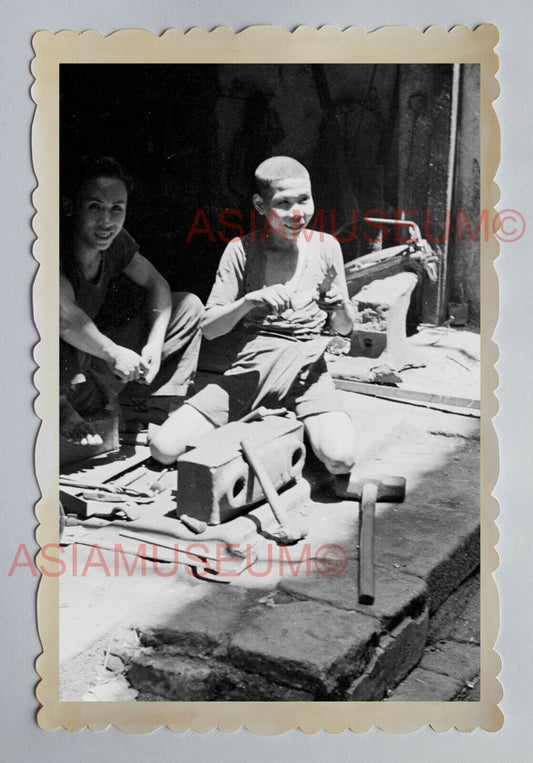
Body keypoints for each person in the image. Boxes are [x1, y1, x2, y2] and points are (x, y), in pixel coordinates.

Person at [150, 156, 356, 474]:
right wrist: (248, 301)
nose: (297, 213)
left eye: (304, 199)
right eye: (283, 203)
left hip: (307, 375)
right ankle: (275, 424)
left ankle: (291, 424)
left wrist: (338, 307)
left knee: (341, 459)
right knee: (164, 449)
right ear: (260, 206)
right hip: (249, 372)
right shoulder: (241, 250)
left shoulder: (327, 247)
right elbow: (209, 329)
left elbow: (345, 329)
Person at [60, 154, 203, 445]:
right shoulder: (50, 244)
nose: (106, 221)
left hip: (89, 362)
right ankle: (60, 408)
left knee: (188, 306)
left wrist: (154, 343)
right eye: (94, 207)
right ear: (69, 207)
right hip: (45, 371)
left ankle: (151, 404)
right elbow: (62, 316)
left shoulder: (115, 241)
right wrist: (113, 353)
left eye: (117, 209)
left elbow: (156, 283)